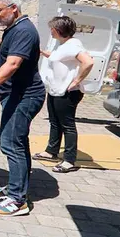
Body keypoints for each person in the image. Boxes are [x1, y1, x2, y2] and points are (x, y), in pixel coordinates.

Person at [0, 0, 46, 217]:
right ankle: (15, 188)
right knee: (18, 143)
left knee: (10, 143)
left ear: (14, 8)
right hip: (16, 95)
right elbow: (11, 53)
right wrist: (0, 45)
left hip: (24, 96)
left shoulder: (24, 30)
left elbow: (13, 64)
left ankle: (17, 200)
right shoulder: (15, 29)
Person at [34, 16, 94, 173]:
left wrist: (77, 80)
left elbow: (88, 62)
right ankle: (51, 151)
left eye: (52, 28)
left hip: (67, 92)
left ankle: (69, 160)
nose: (50, 31)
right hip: (55, 89)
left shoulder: (73, 45)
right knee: (55, 122)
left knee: (67, 125)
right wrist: (42, 52)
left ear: (59, 30)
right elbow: (58, 58)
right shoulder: (63, 45)